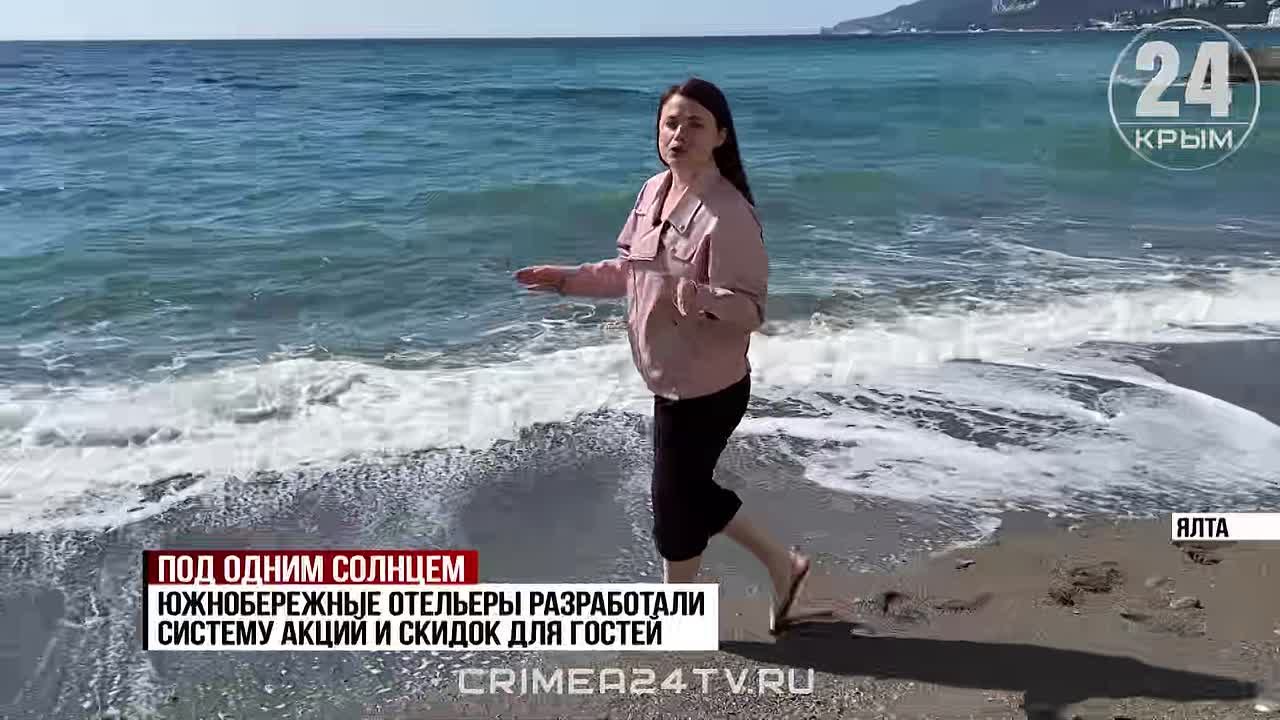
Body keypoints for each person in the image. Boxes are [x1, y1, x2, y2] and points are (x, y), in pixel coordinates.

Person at [514, 77, 811, 633]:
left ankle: (681, 612)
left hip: (710, 388)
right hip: (668, 378)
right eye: (671, 123)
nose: (679, 134)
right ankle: (782, 566)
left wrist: (702, 298)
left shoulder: (729, 215)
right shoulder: (653, 191)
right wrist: (567, 280)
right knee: (687, 495)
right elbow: (630, 272)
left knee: (674, 508)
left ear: (721, 135)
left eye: (695, 123)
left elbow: (751, 311)